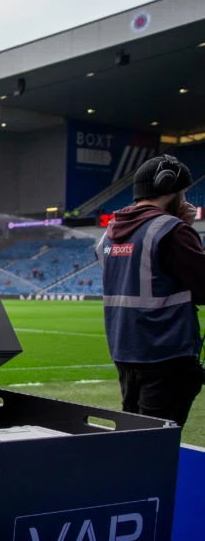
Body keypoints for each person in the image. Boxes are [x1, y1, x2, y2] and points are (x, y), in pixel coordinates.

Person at [97, 154, 203, 425]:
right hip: (167, 352)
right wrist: (186, 230)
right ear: (170, 189)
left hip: (125, 351)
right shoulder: (173, 231)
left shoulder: (109, 233)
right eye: (183, 192)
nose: (185, 199)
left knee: (136, 436)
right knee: (158, 443)